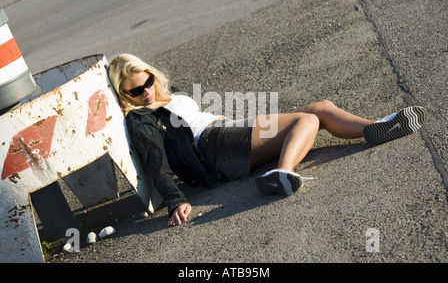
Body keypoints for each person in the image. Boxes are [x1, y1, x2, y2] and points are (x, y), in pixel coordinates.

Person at [108, 53, 428, 226]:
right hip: (213, 148)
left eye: (147, 80)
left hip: (223, 132)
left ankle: (376, 126)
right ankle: (282, 173)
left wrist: (217, 118)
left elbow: (190, 118)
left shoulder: (164, 96)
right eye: (136, 90)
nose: (146, 90)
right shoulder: (141, 118)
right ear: (124, 93)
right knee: (307, 120)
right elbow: (155, 163)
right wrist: (175, 201)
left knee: (321, 108)